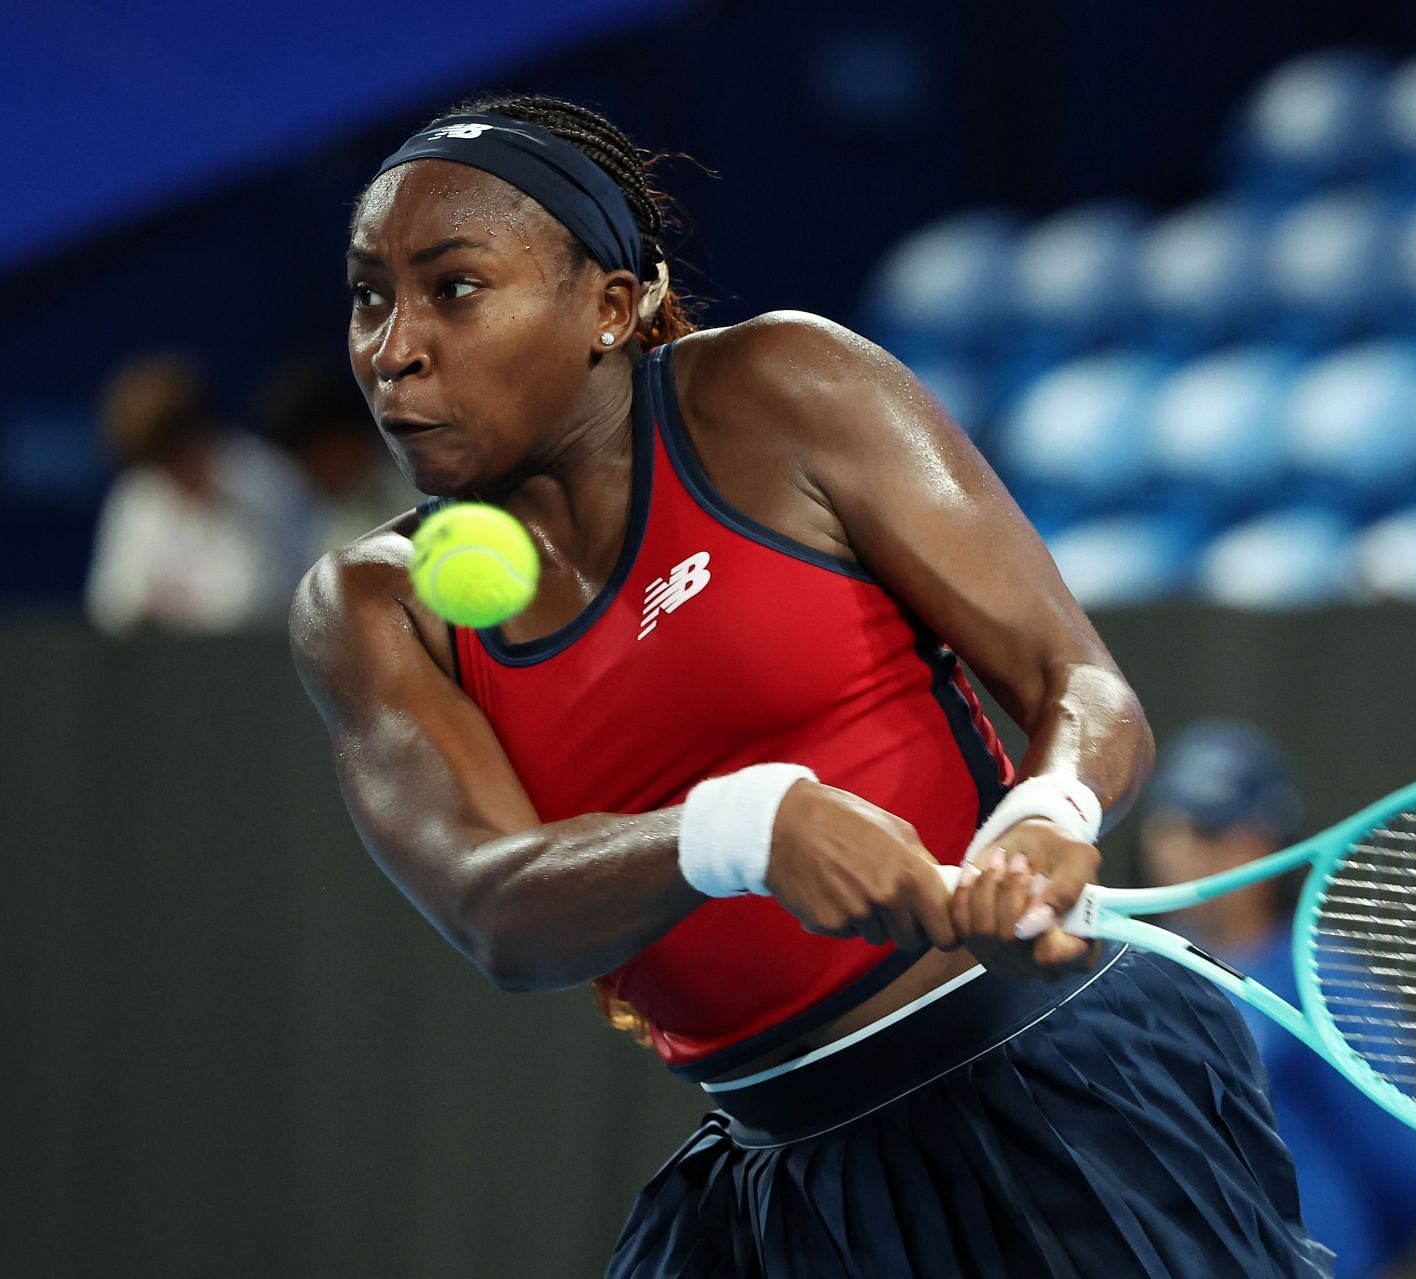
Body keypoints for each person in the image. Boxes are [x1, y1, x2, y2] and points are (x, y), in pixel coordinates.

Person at [290, 94, 1331, 1278]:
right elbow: (495, 907)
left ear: (611, 308)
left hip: (1061, 1092)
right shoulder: (371, 605)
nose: (393, 347)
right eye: (370, 295)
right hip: (776, 1185)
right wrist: (747, 826)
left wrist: (1047, 816)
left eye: (454, 287)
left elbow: (1078, 686)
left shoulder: (784, 389)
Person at [1139, 721, 1416, 1279]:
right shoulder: (1126, 976)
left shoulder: (1325, 983)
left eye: (1208, 831)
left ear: (1263, 841)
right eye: (1170, 826)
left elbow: (1403, 1167)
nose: (1180, 851)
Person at [86, 353, 310, 635]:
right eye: (156, 462)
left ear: (201, 434)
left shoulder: (268, 482)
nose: (168, 474)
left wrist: (173, 610)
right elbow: (110, 605)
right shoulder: (136, 493)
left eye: (172, 455)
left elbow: (269, 600)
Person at [260, 359, 419, 560]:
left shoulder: (430, 481)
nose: (315, 476)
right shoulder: (330, 538)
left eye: (318, 458)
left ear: (348, 437)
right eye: (305, 465)